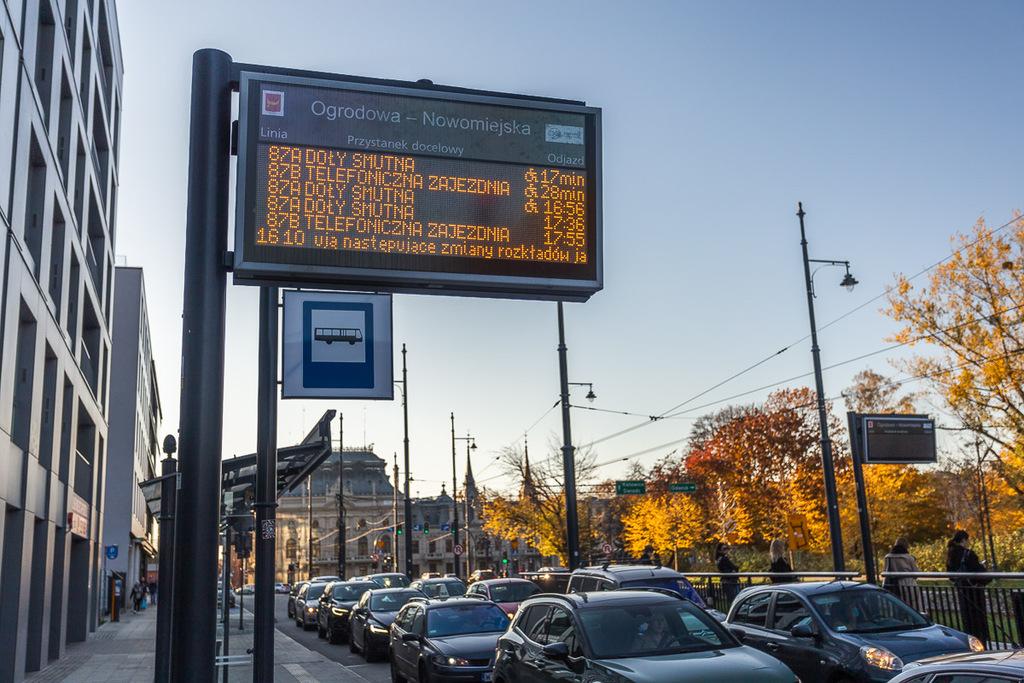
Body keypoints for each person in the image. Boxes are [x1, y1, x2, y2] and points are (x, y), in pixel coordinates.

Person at [946, 530, 990, 644]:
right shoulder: (968, 554)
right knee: (978, 618)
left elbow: (950, 575)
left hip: (962, 590)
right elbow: (979, 572)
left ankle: (971, 642)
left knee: (967, 619)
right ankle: (982, 641)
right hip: (974, 589)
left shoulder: (950, 554)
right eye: (967, 540)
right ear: (964, 540)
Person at [882, 537, 921, 604]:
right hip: (907, 584)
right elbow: (916, 574)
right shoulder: (909, 558)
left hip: (891, 584)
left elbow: (885, 571)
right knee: (910, 604)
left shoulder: (887, 557)